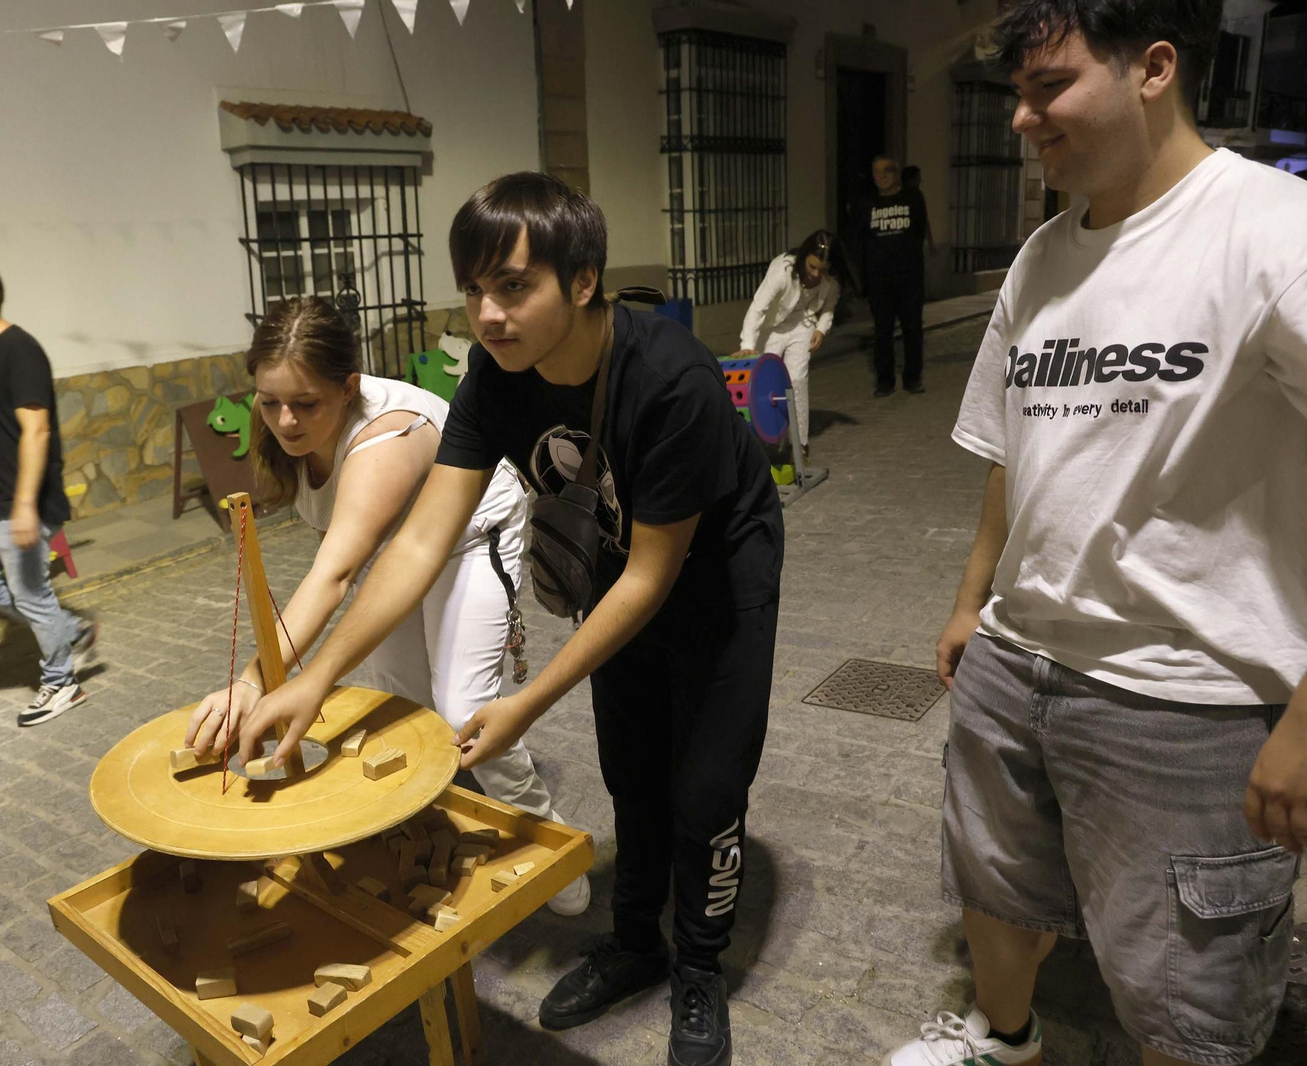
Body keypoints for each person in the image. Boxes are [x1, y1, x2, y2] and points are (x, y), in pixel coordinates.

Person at [231, 173, 782, 1066]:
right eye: (475, 289)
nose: (488, 314)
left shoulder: (670, 379)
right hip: (619, 560)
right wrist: (312, 681)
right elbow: (413, 549)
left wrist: (527, 706)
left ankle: (702, 969)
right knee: (631, 770)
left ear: (585, 281)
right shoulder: (495, 372)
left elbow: (653, 579)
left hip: (717, 579)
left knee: (706, 790)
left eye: (514, 287)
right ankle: (636, 945)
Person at [884, 3, 1307, 1066]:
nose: (1021, 120)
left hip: (1192, 701)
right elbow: (1016, 446)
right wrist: (970, 603)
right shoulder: (1042, 257)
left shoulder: (1282, 235)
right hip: (1015, 660)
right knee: (993, 893)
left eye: (1049, 88)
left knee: (1182, 988)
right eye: (1015, 95)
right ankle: (1003, 1040)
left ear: (1154, 69)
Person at [181, 295, 590, 916]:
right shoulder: (293, 435)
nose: (286, 421)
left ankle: (551, 844)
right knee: (401, 704)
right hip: (398, 555)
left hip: (472, 537)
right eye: (270, 403)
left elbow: (336, 572)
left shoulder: (385, 432)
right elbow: (338, 557)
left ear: (348, 388)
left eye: (305, 404)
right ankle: (427, 835)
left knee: (463, 708)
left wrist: (258, 680)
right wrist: (266, 676)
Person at [0, 255, 97, 727]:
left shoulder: (20, 351)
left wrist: (25, 505)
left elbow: (37, 431)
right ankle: (72, 630)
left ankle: (62, 684)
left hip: (18, 504)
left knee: (31, 596)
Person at [737, 229, 840, 450]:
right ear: (804, 258)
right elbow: (758, 308)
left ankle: (799, 444)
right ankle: (766, 438)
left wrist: (821, 329)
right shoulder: (783, 270)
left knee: (797, 381)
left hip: (803, 326)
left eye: (822, 270)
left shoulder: (830, 282)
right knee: (766, 380)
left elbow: (829, 308)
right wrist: (747, 345)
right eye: (812, 267)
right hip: (772, 327)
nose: (815, 274)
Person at [859, 154, 928, 397]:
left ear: (896, 173)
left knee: (912, 329)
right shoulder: (867, 203)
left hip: (909, 277)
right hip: (880, 279)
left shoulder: (912, 198)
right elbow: (862, 239)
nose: (882, 176)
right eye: (877, 172)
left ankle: (913, 378)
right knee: (882, 331)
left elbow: (920, 230)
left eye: (887, 170)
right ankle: (884, 381)